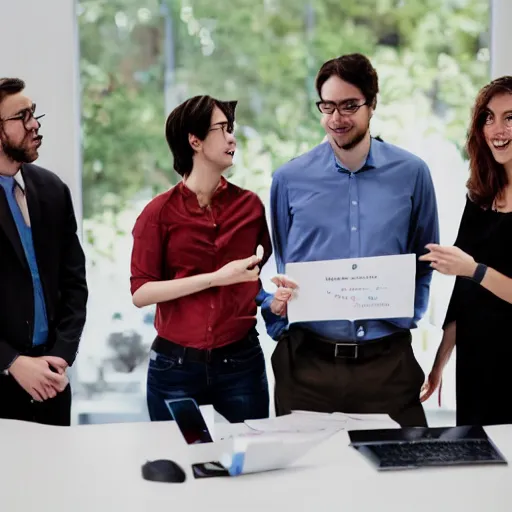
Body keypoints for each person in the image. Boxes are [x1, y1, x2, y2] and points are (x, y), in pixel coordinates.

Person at [260, 54, 439, 427]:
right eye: (327, 106)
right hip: (307, 369)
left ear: (372, 104)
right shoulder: (289, 179)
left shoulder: (412, 173)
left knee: (406, 475)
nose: (337, 118)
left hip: (387, 365)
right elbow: (283, 258)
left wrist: (408, 310)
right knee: (307, 481)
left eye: (349, 106)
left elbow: (425, 257)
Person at [130, 95, 276, 423]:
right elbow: (141, 293)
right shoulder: (158, 214)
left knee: (250, 466)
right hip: (174, 368)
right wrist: (215, 278)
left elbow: (254, 279)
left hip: (241, 362)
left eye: (231, 129)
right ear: (194, 141)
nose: (232, 138)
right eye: (222, 129)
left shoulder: (250, 208)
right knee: (179, 464)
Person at [420, 76, 512, 427]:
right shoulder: (480, 198)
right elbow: (464, 292)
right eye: (488, 117)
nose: (497, 129)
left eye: (509, 117)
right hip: (477, 361)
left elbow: (471, 272)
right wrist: (440, 363)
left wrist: (474, 269)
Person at [0, 78, 88, 425]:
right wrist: (11, 362)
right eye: (22, 116)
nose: (34, 124)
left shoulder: (52, 189)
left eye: (34, 114)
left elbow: (74, 283)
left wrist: (60, 356)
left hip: (52, 379)